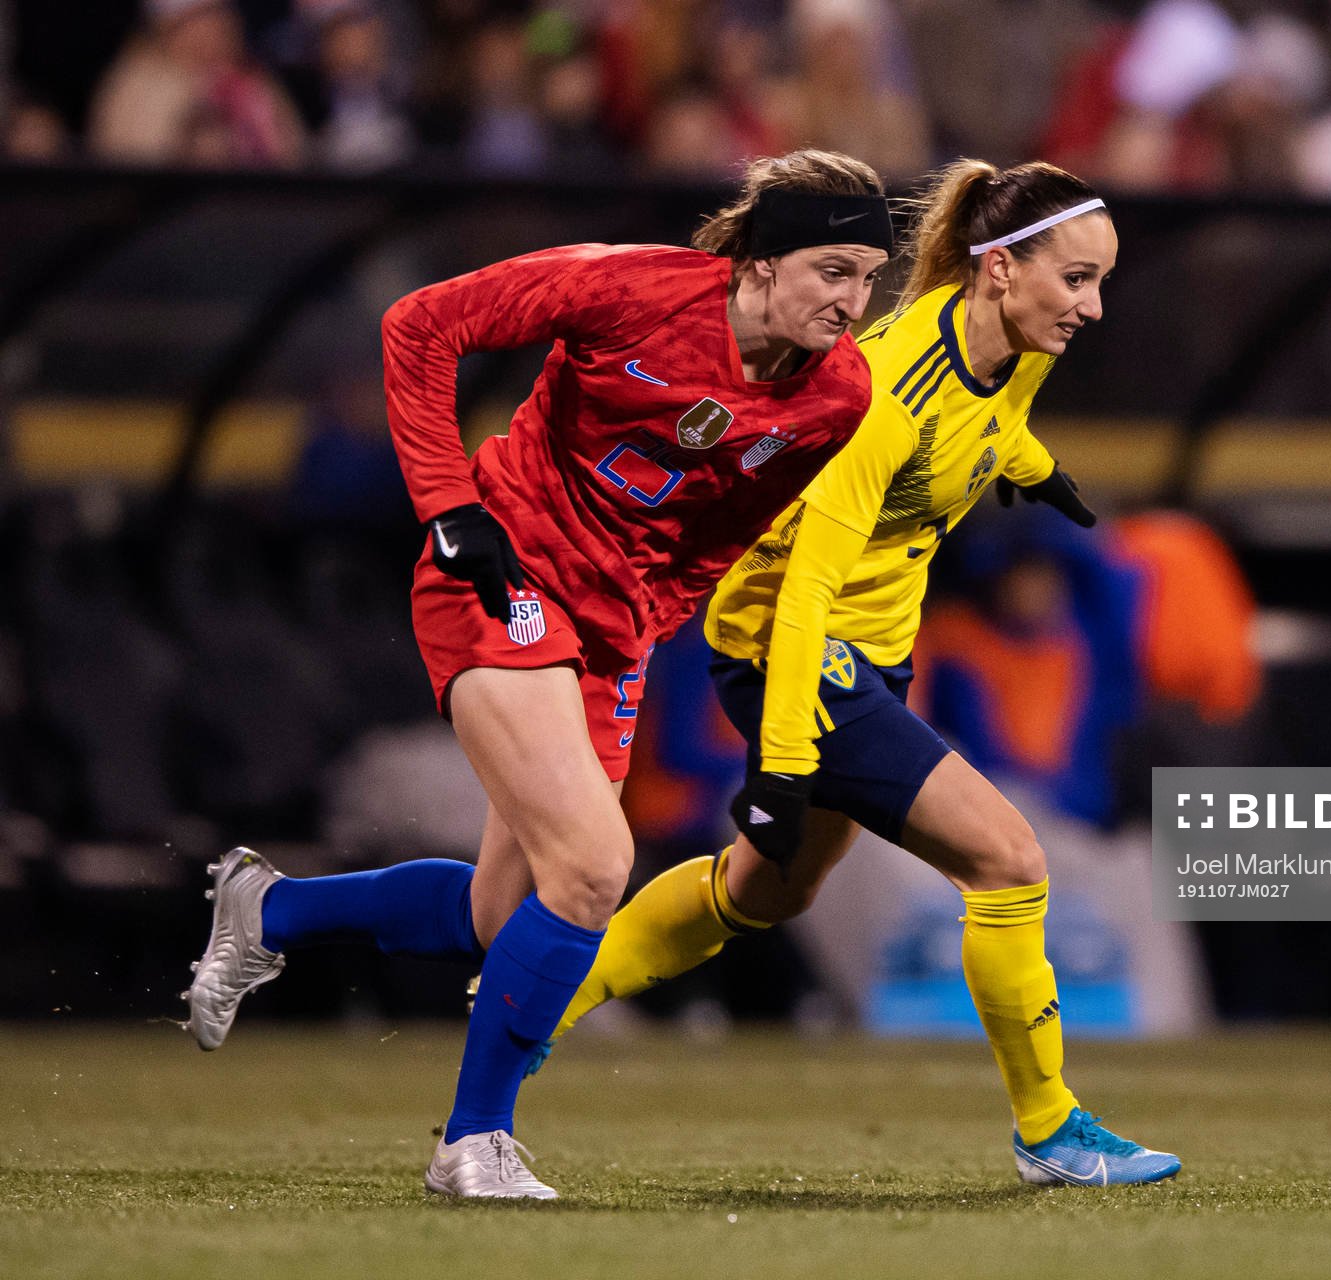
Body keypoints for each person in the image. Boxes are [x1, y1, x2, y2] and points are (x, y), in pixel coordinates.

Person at [182, 149, 895, 1201]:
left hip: (612, 629)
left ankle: (269, 912)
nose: (854, 298)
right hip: (503, 574)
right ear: (757, 261)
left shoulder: (838, 397)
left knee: (501, 908)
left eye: (869, 275)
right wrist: (448, 506)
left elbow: (719, 537)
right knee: (599, 863)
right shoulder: (631, 287)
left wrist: (648, 618)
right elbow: (420, 324)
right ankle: (473, 1143)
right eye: (832, 268)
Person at [546, 159, 1181, 1186]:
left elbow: (990, 420)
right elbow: (800, 592)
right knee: (1010, 861)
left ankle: (537, 995)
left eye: (1100, 279)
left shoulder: (1020, 343)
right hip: (788, 649)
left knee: (759, 897)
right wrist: (784, 764)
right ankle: (1051, 1128)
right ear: (997, 269)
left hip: (871, 656)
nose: (1092, 305)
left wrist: (1033, 468)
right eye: (1074, 279)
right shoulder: (879, 394)